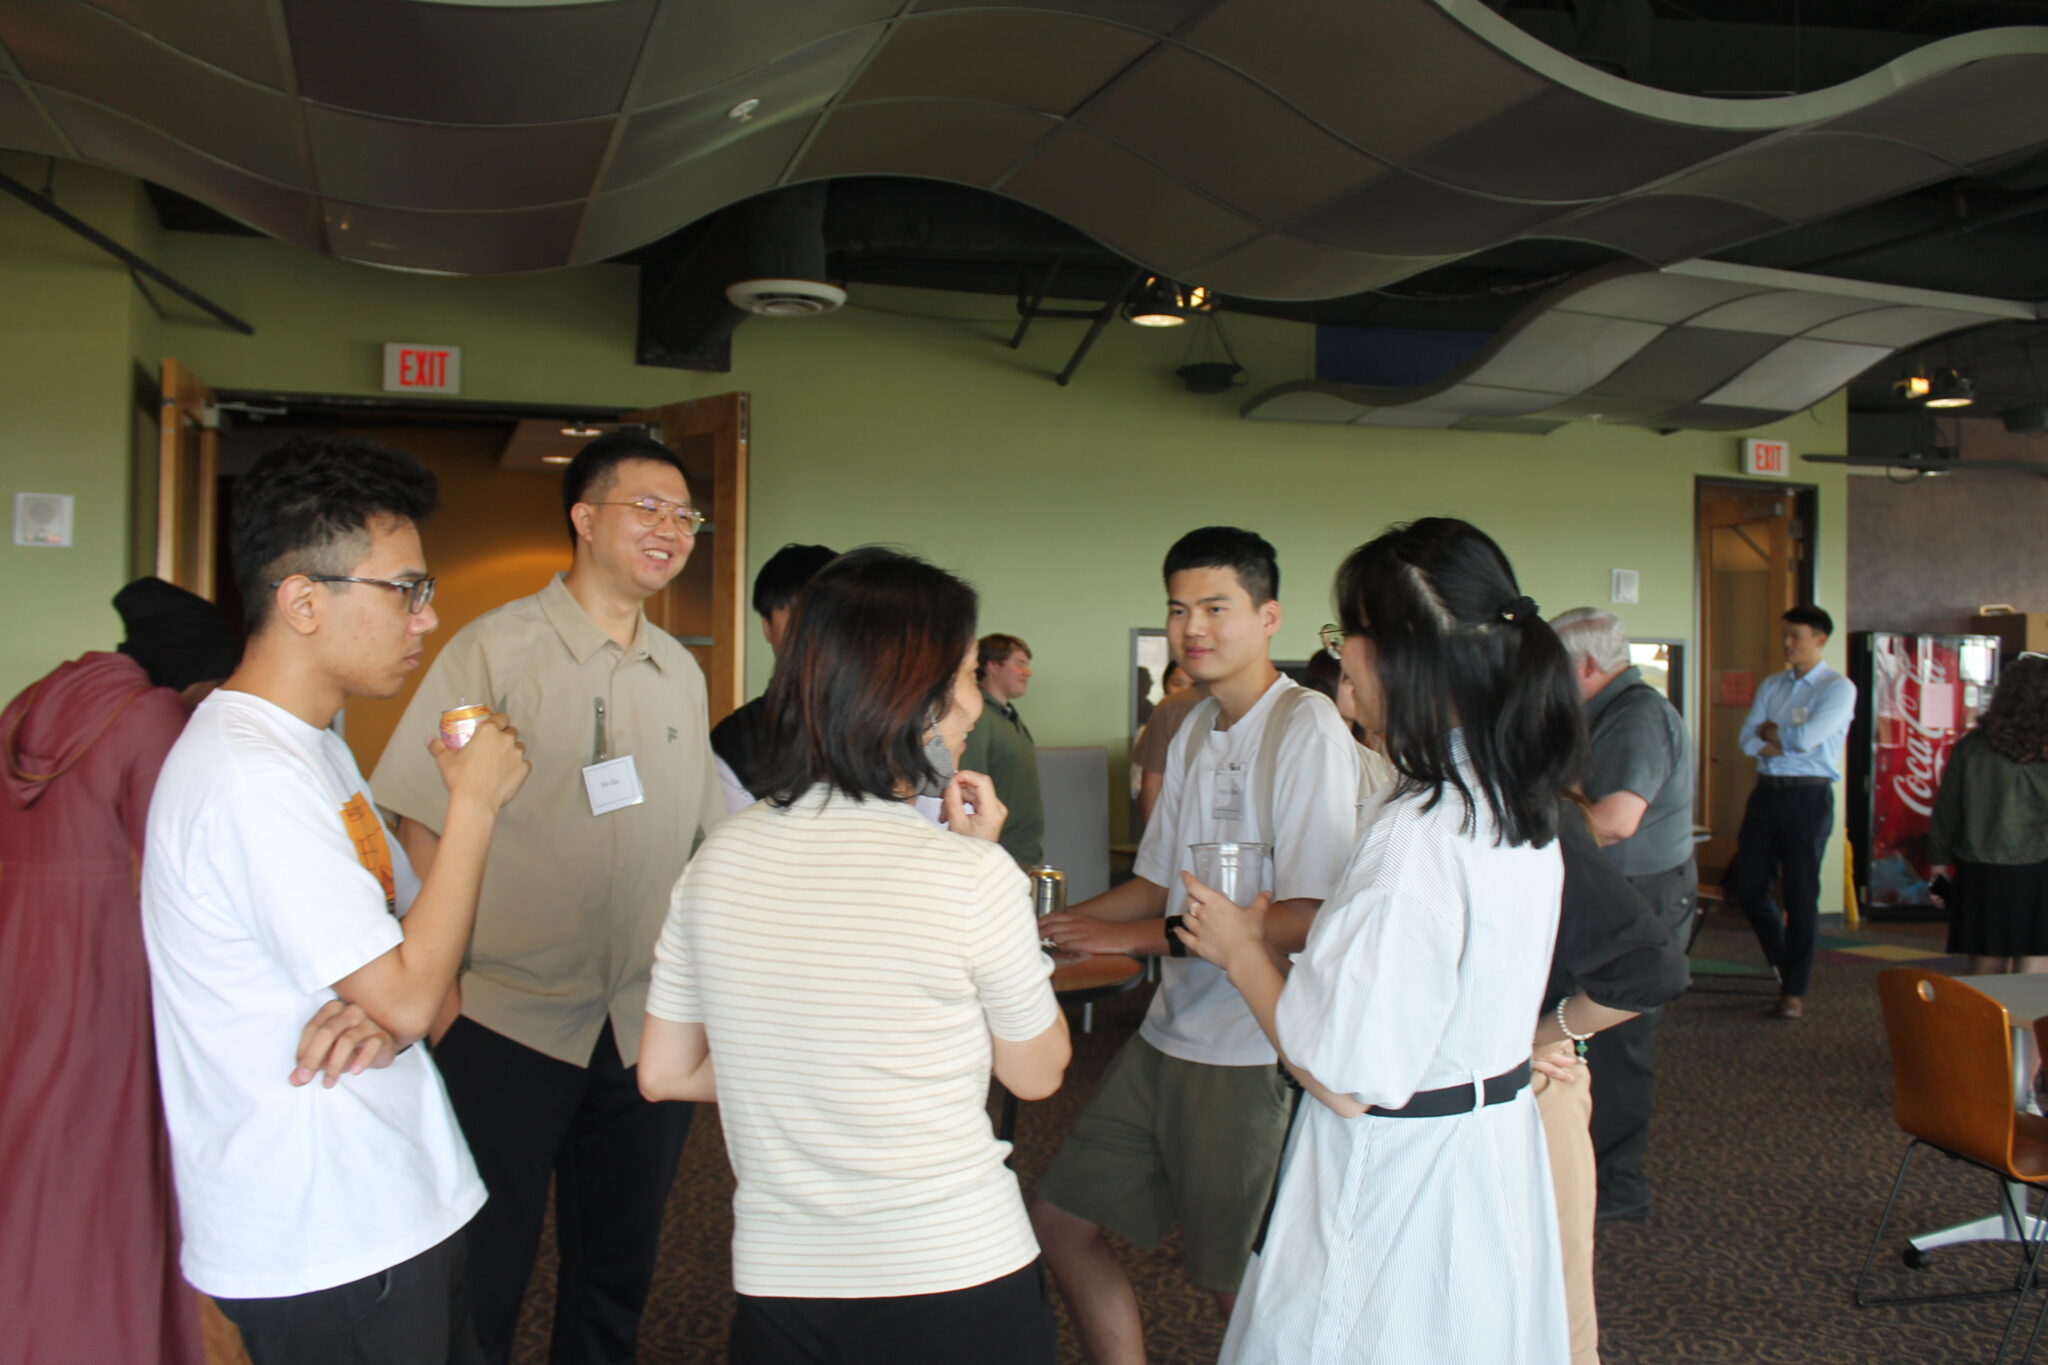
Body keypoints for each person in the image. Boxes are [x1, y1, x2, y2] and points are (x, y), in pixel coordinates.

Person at [141, 437, 531, 1364]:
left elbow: (430, 977)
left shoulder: (314, 748)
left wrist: (394, 1005)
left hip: (393, 1199)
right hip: (323, 1234)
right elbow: (412, 984)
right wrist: (473, 806)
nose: (427, 616)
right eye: (404, 590)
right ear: (303, 602)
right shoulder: (248, 773)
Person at [639, 547, 1071, 1364]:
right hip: (957, 1268)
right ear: (918, 701)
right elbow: (1038, 1070)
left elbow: (664, 1070)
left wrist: (807, 1071)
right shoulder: (969, 874)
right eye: (966, 677)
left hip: (782, 1286)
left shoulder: (719, 858)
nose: (975, 704)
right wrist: (981, 864)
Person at [1176, 516, 1580, 1365]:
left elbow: (1346, 1076)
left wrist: (1243, 950)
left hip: (1403, 1183)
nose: (1338, 660)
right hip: (1487, 1154)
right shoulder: (1511, 799)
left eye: (1344, 636)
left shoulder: (1418, 834)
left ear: (1399, 653)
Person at [370, 429, 726, 1364]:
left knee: (617, 1271)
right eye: (646, 507)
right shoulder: (494, 649)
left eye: (684, 514)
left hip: (644, 1024)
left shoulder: (682, 671)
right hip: (506, 1020)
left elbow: (702, 841)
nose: (671, 528)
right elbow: (422, 818)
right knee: (485, 1273)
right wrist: (443, 995)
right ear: (584, 518)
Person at [1033, 527, 1358, 1365]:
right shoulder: (1193, 728)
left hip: (1251, 1045)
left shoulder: (1307, 726)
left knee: (1233, 1282)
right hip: (1169, 1034)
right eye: (1178, 610)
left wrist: (1126, 938)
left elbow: (1305, 913)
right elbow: (1155, 882)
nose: (1193, 627)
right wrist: (1058, 928)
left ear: (1269, 616)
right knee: (1061, 1222)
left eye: (1216, 607)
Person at [1, 576, 238, 1365]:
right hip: (111, 973)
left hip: (20, 961)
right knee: (111, 1168)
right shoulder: (151, 719)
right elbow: (181, 874)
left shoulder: (27, 706)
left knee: (29, 1159)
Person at [1550, 606, 1698, 1221]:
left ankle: (1617, 1186)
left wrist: (1528, 828)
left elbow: (1615, 820)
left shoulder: (1637, 715)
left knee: (1619, 1043)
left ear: (1587, 666)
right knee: (1595, 1040)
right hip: (1623, 887)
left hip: (1643, 892)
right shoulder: (1603, 713)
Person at [1533, 799, 1691, 1364]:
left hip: (1532, 1090)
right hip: (1466, 1092)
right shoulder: (1425, 808)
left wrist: (1535, 1035)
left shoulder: (1531, 815)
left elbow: (1653, 969)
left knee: (1555, 1318)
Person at [1727, 605, 1856, 1021]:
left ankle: (1794, 989)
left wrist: (1775, 733)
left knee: (1800, 895)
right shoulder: (1773, 685)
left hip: (1808, 797)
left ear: (1820, 639)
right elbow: (1747, 739)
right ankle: (1785, 960)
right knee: (1748, 886)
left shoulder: (1837, 688)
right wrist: (1780, 738)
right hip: (1766, 794)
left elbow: (1808, 739)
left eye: (1795, 635)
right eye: (1785, 634)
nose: (1787, 643)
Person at [1930, 652, 2048, 976]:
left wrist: (1938, 866)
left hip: (1983, 867)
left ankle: (1985, 1012)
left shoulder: (1973, 746)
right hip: (2042, 866)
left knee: (1986, 956)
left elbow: (1947, 810)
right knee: (2038, 958)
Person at [710, 542, 837, 809]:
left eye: (825, 615)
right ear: (767, 626)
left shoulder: (888, 719)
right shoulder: (736, 739)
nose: (812, 631)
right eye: (795, 614)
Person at [961, 632, 1044, 867]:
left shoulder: (1007, 716)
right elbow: (968, 789)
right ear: (993, 666)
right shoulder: (978, 717)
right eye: (1019, 664)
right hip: (996, 853)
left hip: (1022, 851)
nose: (1027, 672)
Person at [1131, 663, 1205, 830]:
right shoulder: (1151, 731)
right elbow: (1143, 787)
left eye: (1194, 686)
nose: (1186, 692)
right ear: (1165, 686)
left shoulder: (1217, 728)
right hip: (1167, 822)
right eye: (1178, 684)